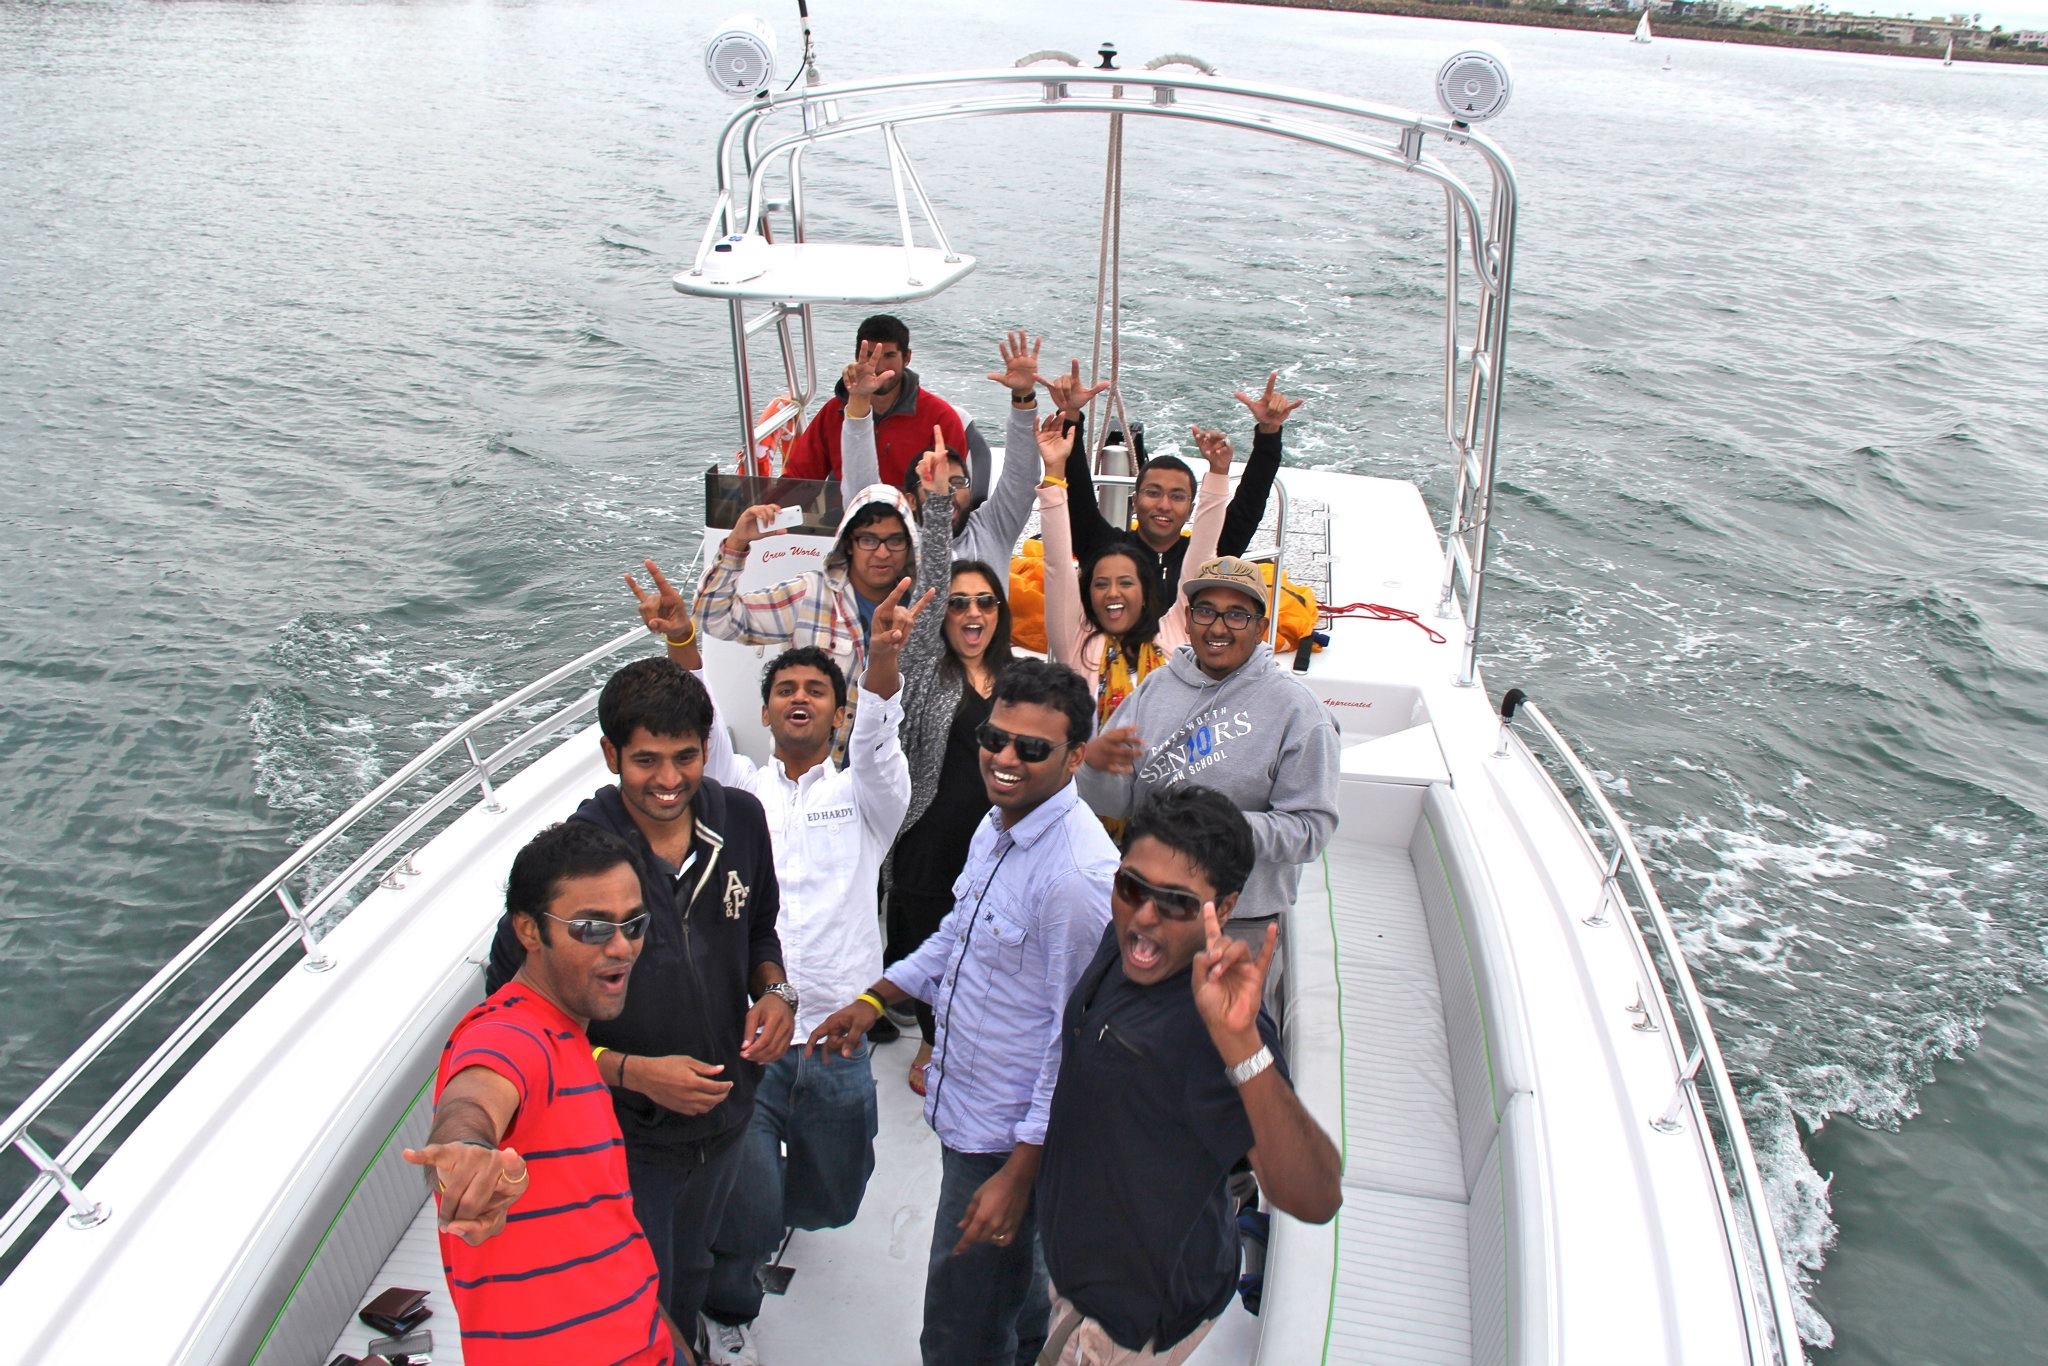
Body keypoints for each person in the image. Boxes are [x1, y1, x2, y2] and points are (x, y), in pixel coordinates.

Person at [808, 659, 1118, 1366]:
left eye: (1032, 749)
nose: (1005, 758)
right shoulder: (997, 821)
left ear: (1074, 758)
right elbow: (958, 934)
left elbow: (1076, 1042)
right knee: (1006, 1292)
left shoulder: (1076, 881)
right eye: (994, 737)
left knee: (958, 1327)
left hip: (1006, 1142)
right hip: (967, 1109)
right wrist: (876, 997)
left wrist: (1019, 1175)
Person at [484, 658, 788, 1362]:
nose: (669, 778)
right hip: (625, 1144)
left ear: (707, 751)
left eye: (686, 757)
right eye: (646, 759)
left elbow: (763, 930)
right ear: (610, 755)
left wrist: (775, 992)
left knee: (696, 1266)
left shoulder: (741, 819)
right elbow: (513, 1016)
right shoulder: (572, 865)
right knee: (632, 1294)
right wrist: (630, 1072)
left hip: (726, 1117)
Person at [690, 602, 923, 1364]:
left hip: (835, 1036)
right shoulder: (737, 794)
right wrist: (680, 643)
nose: (799, 696)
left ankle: (778, 1212)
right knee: (747, 1207)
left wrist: (883, 656)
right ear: (765, 711)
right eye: (785, 687)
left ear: (837, 711)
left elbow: (882, 740)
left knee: (832, 1199)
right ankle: (730, 1304)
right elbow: (704, 737)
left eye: (816, 689)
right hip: (748, 1034)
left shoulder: (866, 799)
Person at [1037, 786, 1343, 1364]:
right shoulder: (1128, 940)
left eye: (1177, 903)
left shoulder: (1217, 1028)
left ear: (1223, 909)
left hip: (1128, 1321)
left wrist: (1242, 1044)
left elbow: (1314, 1195)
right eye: (1131, 887)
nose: (1144, 916)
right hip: (1075, 1268)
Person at [407, 821, 693, 1365]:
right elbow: (473, 1098)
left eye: (633, 924)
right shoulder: (511, 1034)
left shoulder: (569, 1043)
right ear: (530, 930)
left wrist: (667, 1337)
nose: (621, 947)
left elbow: (606, 1228)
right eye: (590, 928)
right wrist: (468, 1157)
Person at [1077, 556, 1339, 1007]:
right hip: (1147, 910)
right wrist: (1093, 768)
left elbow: (1310, 831)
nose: (1219, 627)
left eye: (1237, 614)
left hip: (1240, 928)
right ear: (1190, 619)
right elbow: (1116, 804)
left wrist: (1214, 831)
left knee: (1217, 1063)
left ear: (1260, 627)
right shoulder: (1154, 691)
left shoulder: (1300, 714)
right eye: (1206, 611)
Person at [882, 449, 1019, 1092]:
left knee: (988, 944)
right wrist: (936, 509)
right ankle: (933, 1040)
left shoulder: (1022, 681)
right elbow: (933, 577)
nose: (972, 614)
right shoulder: (922, 672)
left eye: (985, 603)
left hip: (997, 841)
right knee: (928, 939)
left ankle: (977, 1035)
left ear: (1000, 612)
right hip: (929, 840)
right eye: (960, 603)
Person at [1054, 368, 1305, 610]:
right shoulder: (1102, 547)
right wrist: (1070, 415)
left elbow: (1249, 505)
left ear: (1190, 509)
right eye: (1153, 493)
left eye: (1177, 496)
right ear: (1135, 500)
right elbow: (1076, 495)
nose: (1164, 505)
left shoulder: (1207, 557)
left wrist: (1269, 433)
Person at [1041, 417, 1233, 727]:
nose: (1113, 592)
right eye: (1101, 584)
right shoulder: (1076, 640)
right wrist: (1053, 474)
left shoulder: (1175, 632)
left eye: (1125, 582)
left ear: (1145, 592)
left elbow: (1203, 549)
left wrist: (1218, 473)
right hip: (1092, 771)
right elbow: (1056, 564)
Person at [841, 329, 1050, 572]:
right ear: (911, 501)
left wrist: (1023, 396)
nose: (947, 491)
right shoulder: (895, 546)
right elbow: (862, 491)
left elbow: (1021, 479)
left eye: (958, 481)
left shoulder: (992, 529)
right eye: (932, 481)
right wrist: (858, 401)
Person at [696, 477, 919, 687]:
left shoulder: (924, 604)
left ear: (910, 545)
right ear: (848, 544)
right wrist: (736, 542)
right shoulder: (809, 595)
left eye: (895, 540)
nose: (882, 553)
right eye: (868, 540)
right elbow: (716, 619)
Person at [781, 313, 975, 490]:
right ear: (857, 357)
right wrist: (771, 510)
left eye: (889, 356)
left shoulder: (941, 417)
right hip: (849, 517)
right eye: (870, 356)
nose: (879, 367)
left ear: (907, 357)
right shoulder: (833, 412)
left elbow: (953, 492)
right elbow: (799, 477)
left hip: (915, 522)